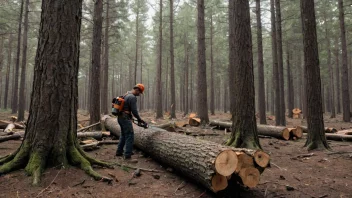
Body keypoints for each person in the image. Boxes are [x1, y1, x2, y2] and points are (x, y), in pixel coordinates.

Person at [116, 84, 145, 162]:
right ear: (137, 90)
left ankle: (119, 151)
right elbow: (134, 111)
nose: (139, 94)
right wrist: (139, 119)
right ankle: (127, 156)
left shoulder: (126, 94)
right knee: (130, 135)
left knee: (123, 134)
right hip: (125, 118)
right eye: (140, 93)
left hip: (120, 117)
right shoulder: (132, 97)